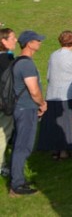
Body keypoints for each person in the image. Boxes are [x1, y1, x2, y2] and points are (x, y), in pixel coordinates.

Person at [9, 30, 48, 196]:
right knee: (23, 146)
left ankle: (18, 179)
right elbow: (33, 90)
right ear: (29, 43)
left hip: (20, 107)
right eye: (37, 40)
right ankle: (16, 185)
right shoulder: (27, 64)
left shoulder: (18, 61)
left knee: (21, 144)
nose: (39, 42)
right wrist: (42, 103)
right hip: (26, 108)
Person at [38, 30, 72, 160]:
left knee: (55, 124)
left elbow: (49, 75)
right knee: (69, 124)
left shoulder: (53, 55)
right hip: (69, 95)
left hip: (53, 94)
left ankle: (55, 150)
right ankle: (67, 150)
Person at [0, 28, 18, 177]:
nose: (16, 40)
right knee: (3, 134)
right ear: (4, 41)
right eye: (12, 38)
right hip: (3, 103)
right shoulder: (8, 61)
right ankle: (1, 165)